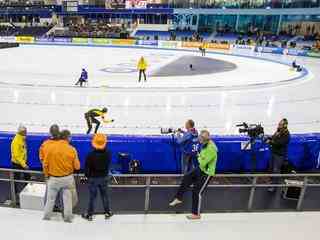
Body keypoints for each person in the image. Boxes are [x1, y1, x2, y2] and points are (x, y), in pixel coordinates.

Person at [169, 130, 218, 220]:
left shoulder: (211, 149)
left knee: (197, 192)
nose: (198, 140)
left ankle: (196, 214)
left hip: (207, 173)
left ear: (204, 139)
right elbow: (201, 158)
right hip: (200, 169)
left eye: (200, 139)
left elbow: (203, 163)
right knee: (187, 177)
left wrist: (198, 156)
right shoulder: (204, 143)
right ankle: (178, 198)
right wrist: (199, 156)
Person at [43, 130, 80, 223]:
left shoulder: (50, 148)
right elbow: (77, 166)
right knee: (67, 199)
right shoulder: (72, 149)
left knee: (50, 199)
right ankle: (67, 218)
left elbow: (45, 164)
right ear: (67, 138)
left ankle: (46, 217)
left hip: (53, 178)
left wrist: (47, 175)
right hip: (67, 179)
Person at [82, 134, 113, 221]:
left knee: (92, 197)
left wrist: (88, 176)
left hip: (93, 179)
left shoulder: (90, 155)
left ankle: (89, 214)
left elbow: (87, 169)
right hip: (104, 177)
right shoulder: (108, 153)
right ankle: (108, 212)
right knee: (105, 196)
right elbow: (108, 165)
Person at [266, 118, 291, 193]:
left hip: (279, 155)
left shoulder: (286, 134)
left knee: (276, 171)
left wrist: (270, 142)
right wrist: (269, 137)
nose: (278, 125)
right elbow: (274, 137)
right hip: (273, 153)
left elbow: (279, 143)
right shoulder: (278, 130)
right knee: (271, 168)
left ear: (284, 125)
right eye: (279, 124)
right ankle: (271, 182)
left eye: (280, 124)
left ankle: (274, 186)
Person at [11, 125, 30, 203]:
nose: (26, 133)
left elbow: (23, 150)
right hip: (17, 163)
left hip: (23, 162)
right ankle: (15, 194)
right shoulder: (16, 141)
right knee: (16, 179)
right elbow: (16, 155)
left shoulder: (22, 138)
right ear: (21, 132)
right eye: (25, 132)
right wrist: (24, 164)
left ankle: (27, 191)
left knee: (27, 177)